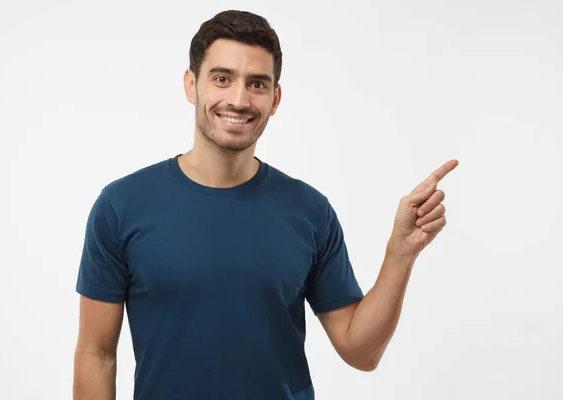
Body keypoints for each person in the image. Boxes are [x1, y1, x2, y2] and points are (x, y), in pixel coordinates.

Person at [73, 9, 458, 400]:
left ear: (275, 98)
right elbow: (96, 354)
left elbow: (360, 351)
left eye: (256, 84)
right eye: (222, 79)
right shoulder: (122, 206)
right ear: (191, 85)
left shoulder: (309, 211)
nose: (238, 100)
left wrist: (400, 253)